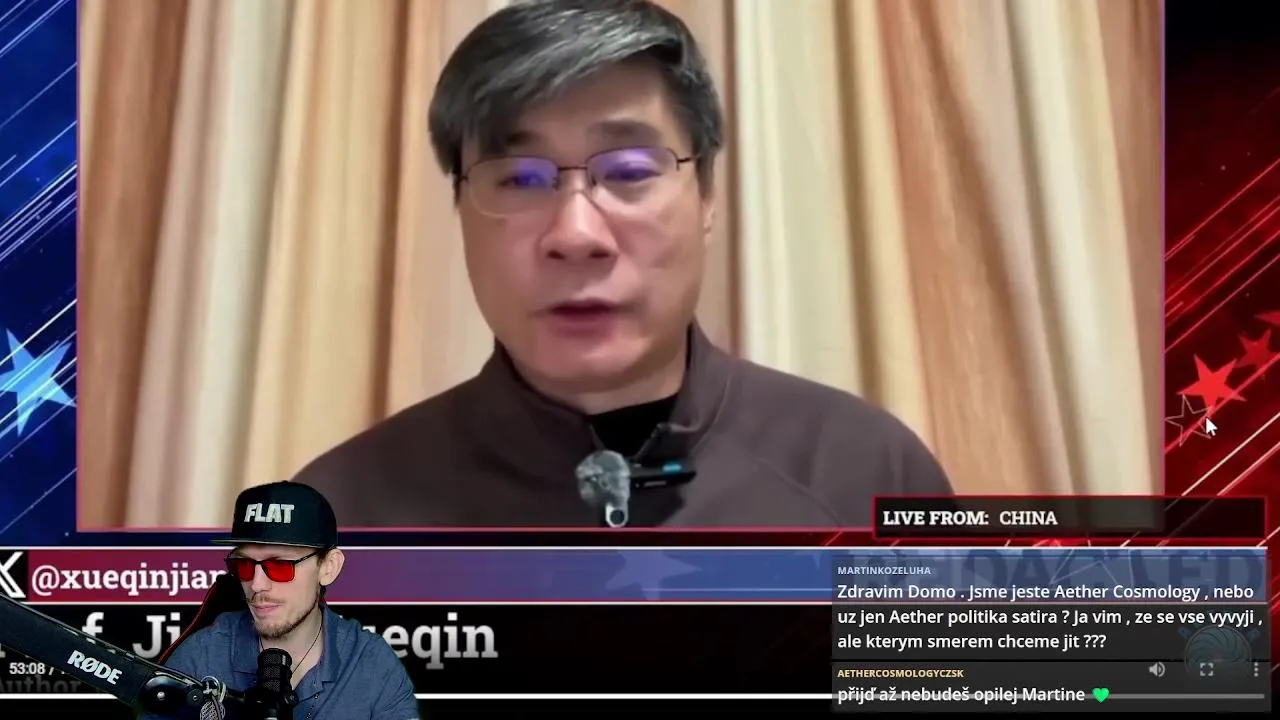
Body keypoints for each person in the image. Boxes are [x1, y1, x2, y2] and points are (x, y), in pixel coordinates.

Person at [296, 0, 953, 527]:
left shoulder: (865, 477)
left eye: (631, 170)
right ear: (460, 206)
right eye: (520, 179)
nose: (576, 234)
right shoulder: (341, 519)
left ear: (707, 195)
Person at [152, 482, 419, 719]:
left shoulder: (372, 666)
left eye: (280, 566)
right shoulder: (200, 658)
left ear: (328, 567)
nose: (257, 585)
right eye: (244, 565)